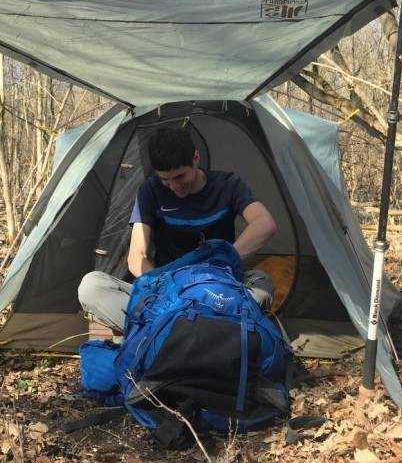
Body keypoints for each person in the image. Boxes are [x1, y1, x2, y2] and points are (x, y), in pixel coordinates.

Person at [78, 125, 277, 331]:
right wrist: (163, 285)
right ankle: (201, 328)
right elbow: (136, 256)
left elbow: (265, 223)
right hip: (167, 289)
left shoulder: (228, 185)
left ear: (196, 159)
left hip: (218, 287)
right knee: (91, 286)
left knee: (262, 282)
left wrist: (222, 260)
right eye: (166, 180)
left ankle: (168, 329)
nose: (174, 186)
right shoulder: (150, 191)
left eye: (180, 177)